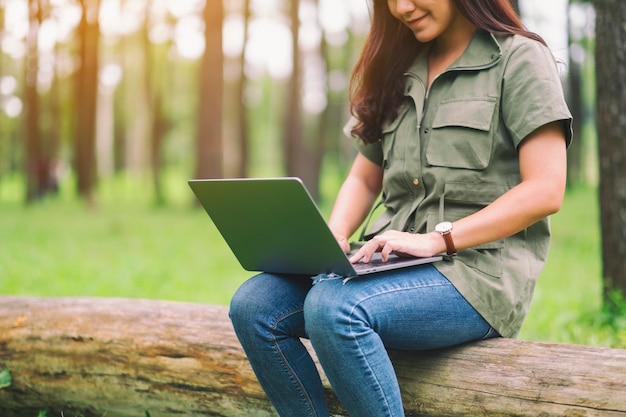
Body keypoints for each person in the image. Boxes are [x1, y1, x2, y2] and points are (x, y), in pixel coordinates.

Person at [229, 0, 572, 415]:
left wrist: (437, 240)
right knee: (255, 305)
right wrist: (333, 238)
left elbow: (545, 189)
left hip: (477, 273)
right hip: (388, 261)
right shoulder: (396, 65)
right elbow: (364, 175)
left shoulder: (518, 57)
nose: (401, 7)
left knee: (336, 308)